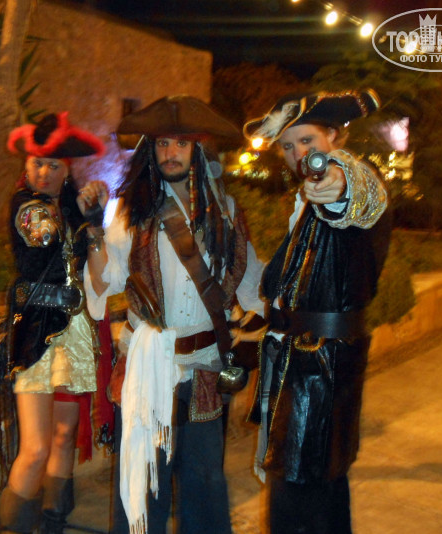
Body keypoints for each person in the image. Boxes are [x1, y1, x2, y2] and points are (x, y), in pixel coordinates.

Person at [76, 95, 265, 534]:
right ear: (151, 151)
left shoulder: (225, 212)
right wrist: (94, 231)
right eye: (162, 144)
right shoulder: (133, 211)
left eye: (181, 144)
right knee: (144, 480)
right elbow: (106, 282)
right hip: (147, 366)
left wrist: (276, 320)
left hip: (204, 366)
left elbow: (252, 284)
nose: (170, 153)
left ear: (198, 150)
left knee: (204, 483)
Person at [241, 89, 392, 534]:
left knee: (297, 490)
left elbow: (354, 194)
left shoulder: (352, 176)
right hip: (305, 360)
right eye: (288, 146)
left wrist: (336, 183)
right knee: (321, 487)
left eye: (307, 141)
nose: (298, 154)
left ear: (334, 137)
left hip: (320, 364)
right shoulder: (304, 205)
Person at [0, 112, 112, 534]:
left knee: (64, 437)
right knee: (35, 448)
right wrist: (78, 213)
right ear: (26, 165)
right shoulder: (25, 205)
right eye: (37, 163)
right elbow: (43, 239)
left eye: (53, 165)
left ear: (67, 170)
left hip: (73, 327)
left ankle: (53, 525)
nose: (43, 172)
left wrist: (95, 220)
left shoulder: (71, 207)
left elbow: (102, 275)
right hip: (35, 331)